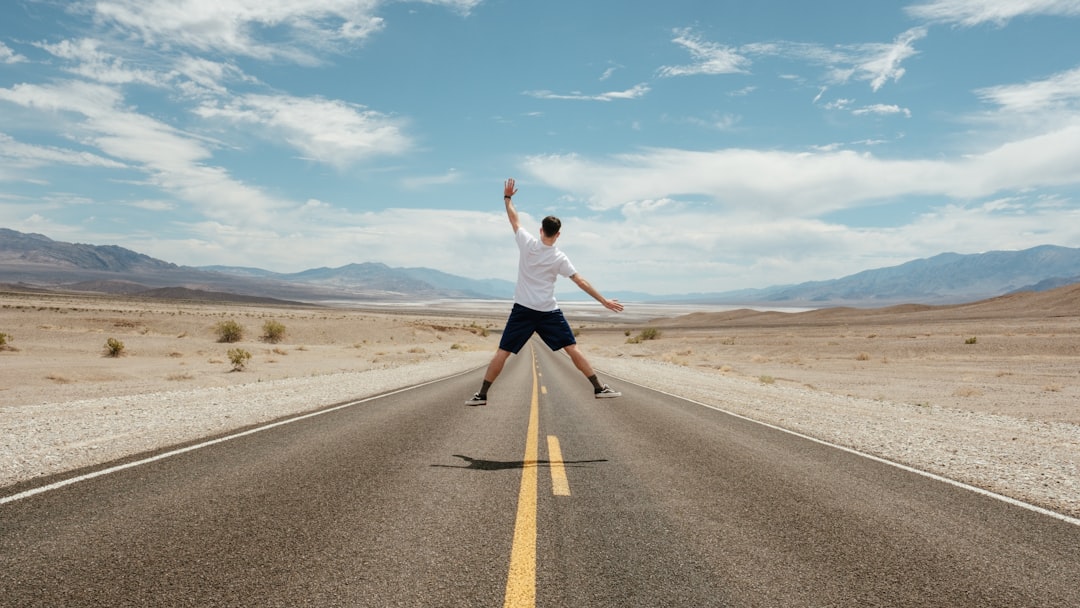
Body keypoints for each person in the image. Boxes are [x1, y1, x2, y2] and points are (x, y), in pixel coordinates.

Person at [466, 178, 624, 406]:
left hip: (523, 310)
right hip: (549, 312)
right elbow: (580, 281)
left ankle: (481, 395)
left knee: (503, 351)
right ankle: (599, 388)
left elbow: (514, 218)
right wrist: (603, 301)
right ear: (558, 234)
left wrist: (507, 198)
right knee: (572, 348)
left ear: (541, 230)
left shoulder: (527, 242)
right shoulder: (559, 258)